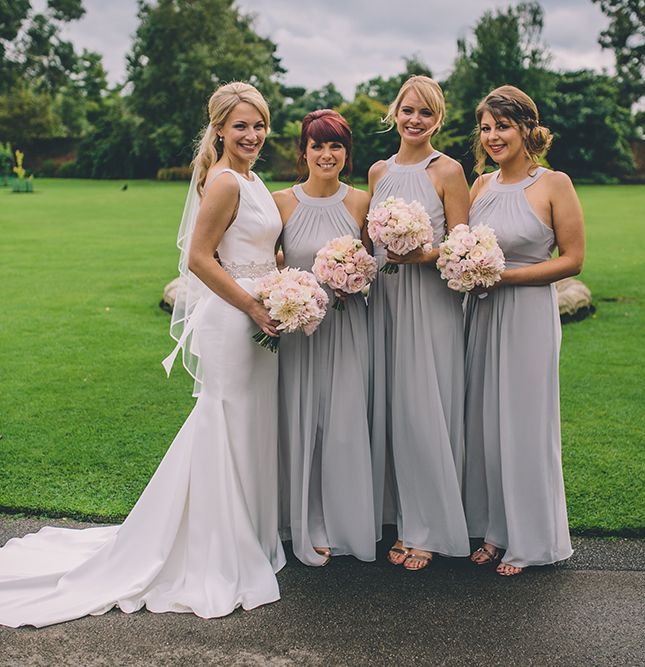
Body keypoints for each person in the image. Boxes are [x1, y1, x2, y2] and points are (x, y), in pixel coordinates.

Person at [0, 82, 285, 627]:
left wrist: (283, 284)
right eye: (241, 126)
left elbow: (251, 248)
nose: (252, 135)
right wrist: (253, 304)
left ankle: (246, 531)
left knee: (249, 425)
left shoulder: (252, 179)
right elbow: (201, 260)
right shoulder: (225, 181)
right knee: (224, 424)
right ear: (220, 128)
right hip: (236, 320)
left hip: (263, 313)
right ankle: (215, 548)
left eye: (259, 125)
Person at [463, 85, 584, 576]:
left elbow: (573, 260)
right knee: (486, 423)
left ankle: (532, 540)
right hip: (483, 313)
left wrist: (504, 275)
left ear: (528, 130)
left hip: (528, 313)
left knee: (525, 424)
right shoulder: (480, 187)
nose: (493, 136)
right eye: (486, 127)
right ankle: (494, 528)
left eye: (503, 126)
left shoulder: (554, 184)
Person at [367, 76, 471, 571]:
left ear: (438, 119)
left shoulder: (448, 170)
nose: (415, 120)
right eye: (408, 110)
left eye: (425, 113)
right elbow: (370, 244)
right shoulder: (378, 171)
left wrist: (421, 253)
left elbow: (462, 246)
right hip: (386, 299)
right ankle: (397, 514)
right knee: (391, 407)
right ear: (395, 113)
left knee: (425, 406)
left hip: (430, 301)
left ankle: (427, 526)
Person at [273, 109, 376, 567]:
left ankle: (344, 520)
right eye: (318, 145)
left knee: (343, 424)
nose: (327, 154)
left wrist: (356, 276)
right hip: (299, 331)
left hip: (348, 327)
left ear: (346, 154)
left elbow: (378, 265)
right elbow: (261, 263)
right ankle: (299, 521)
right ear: (304, 152)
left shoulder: (361, 202)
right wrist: (284, 292)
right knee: (300, 421)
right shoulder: (281, 203)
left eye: (336, 146)